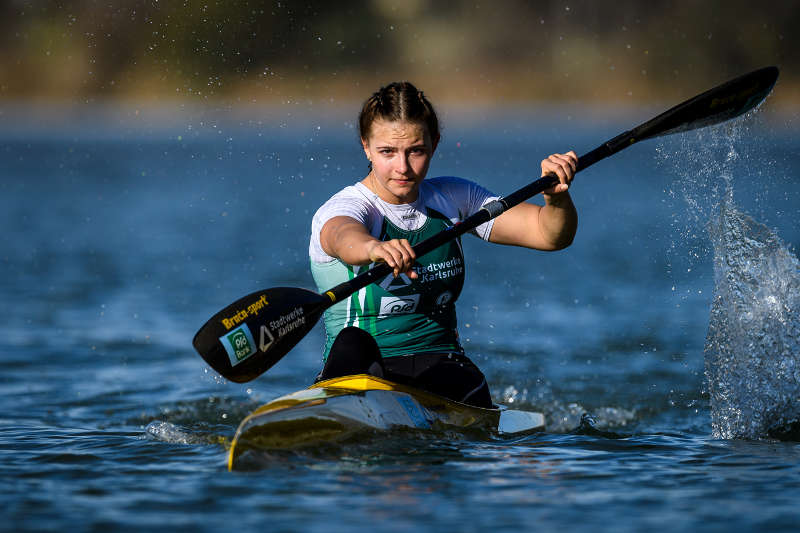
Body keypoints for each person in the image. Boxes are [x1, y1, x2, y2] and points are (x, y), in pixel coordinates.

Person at [308, 81, 577, 408]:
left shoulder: (453, 198)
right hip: (361, 368)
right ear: (366, 146)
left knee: (469, 382)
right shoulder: (347, 208)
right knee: (353, 341)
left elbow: (548, 235)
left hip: (438, 365)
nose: (403, 167)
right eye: (387, 152)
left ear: (434, 144)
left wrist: (556, 198)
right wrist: (373, 249)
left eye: (416, 151)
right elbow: (340, 236)